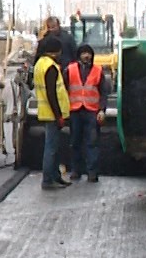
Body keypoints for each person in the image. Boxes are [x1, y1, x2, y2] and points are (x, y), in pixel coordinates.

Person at [33, 34, 71, 190]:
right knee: (51, 148)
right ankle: (48, 180)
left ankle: (55, 176)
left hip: (46, 112)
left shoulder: (40, 64)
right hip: (53, 113)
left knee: (53, 147)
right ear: (56, 51)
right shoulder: (51, 67)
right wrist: (59, 115)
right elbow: (51, 93)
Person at [66, 43, 107, 183]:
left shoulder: (98, 71)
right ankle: (76, 170)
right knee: (75, 142)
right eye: (84, 53)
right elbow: (63, 89)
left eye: (88, 53)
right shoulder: (70, 70)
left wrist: (102, 109)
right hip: (75, 111)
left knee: (92, 143)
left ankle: (92, 172)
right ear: (79, 55)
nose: (86, 55)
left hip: (92, 111)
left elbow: (103, 92)